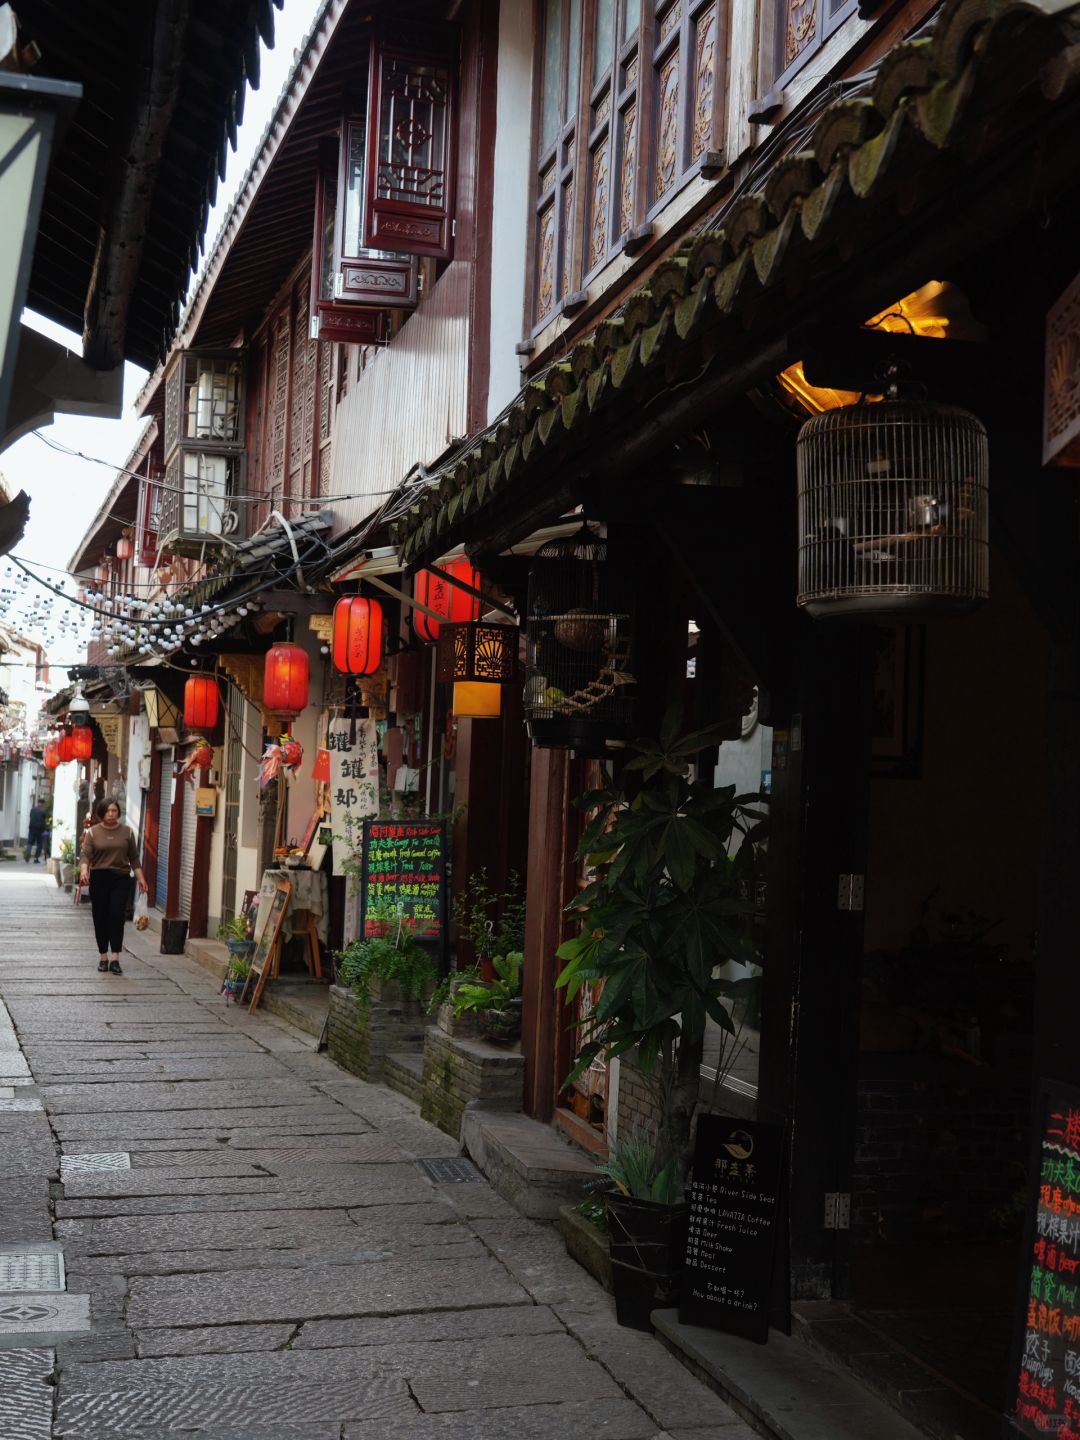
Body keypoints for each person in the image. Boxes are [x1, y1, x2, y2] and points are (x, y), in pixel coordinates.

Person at [78, 799, 148, 975]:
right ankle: (103, 956)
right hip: (100, 878)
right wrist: (84, 871)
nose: (111, 814)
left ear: (118, 813)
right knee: (100, 917)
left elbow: (134, 858)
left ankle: (115, 958)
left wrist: (141, 879)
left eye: (114, 811)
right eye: (108, 811)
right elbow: (86, 855)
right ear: (102, 813)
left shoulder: (127, 832)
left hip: (120, 879)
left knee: (117, 916)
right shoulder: (93, 833)